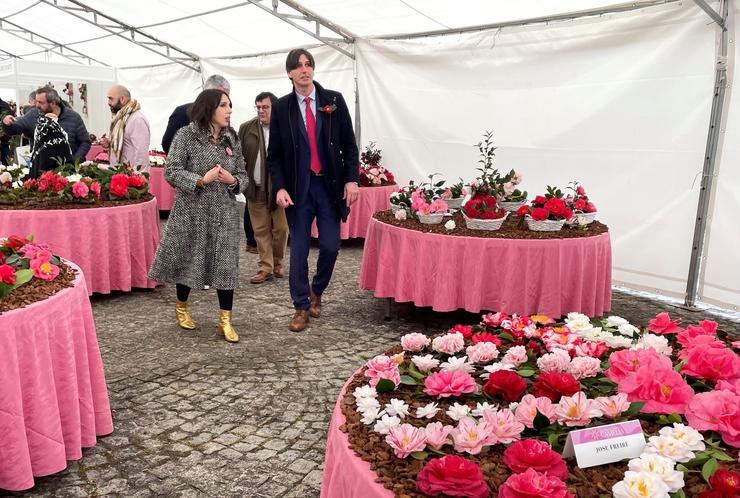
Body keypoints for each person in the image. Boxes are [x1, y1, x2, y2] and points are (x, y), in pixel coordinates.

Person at [267, 48, 359, 332]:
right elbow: (275, 156)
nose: (305, 70)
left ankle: (317, 289)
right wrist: (280, 187)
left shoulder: (334, 100)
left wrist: (351, 179)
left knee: (331, 246)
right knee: (299, 250)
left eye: (308, 65)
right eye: (299, 66)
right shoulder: (282, 107)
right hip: (299, 189)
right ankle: (301, 306)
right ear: (290, 73)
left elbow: (349, 146)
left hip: (328, 186)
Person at [148, 89, 248, 343]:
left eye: (230, 105)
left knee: (226, 265)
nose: (230, 110)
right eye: (224, 105)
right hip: (192, 211)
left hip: (224, 213)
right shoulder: (186, 135)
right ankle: (181, 306)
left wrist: (233, 180)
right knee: (190, 261)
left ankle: (225, 320)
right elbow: (171, 170)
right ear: (210, 108)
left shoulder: (231, 139)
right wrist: (200, 180)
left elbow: (244, 176)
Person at [160, 75, 258, 252]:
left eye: (228, 102)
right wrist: (196, 177)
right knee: (190, 257)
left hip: (221, 207)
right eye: (221, 102)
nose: (227, 106)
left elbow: (240, 173)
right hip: (192, 199)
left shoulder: (229, 132)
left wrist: (232, 179)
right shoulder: (183, 115)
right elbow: (169, 149)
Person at [238, 91, 288, 284]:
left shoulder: (284, 127)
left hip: (280, 190)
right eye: (258, 107)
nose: (261, 111)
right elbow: (237, 154)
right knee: (260, 230)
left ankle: (278, 261)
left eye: (265, 107)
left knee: (282, 229)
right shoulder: (246, 128)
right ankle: (265, 267)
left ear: (274, 107)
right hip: (255, 188)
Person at [1, 86, 90, 161]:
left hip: (69, 170)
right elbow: (14, 129)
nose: (37, 105)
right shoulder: (33, 114)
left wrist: (75, 160)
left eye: (41, 102)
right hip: (41, 170)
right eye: (36, 101)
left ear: (53, 103)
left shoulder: (73, 117)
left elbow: (85, 142)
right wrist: (6, 123)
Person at [99, 85, 150, 170]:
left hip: (130, 177)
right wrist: (110, 143)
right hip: (119, 173)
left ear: (122, 99)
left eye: (111, 99)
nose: (108, 102)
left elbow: (141, 153)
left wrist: (138, 178)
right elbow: (125, 144)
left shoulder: (137, 119)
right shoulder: (120, 117)